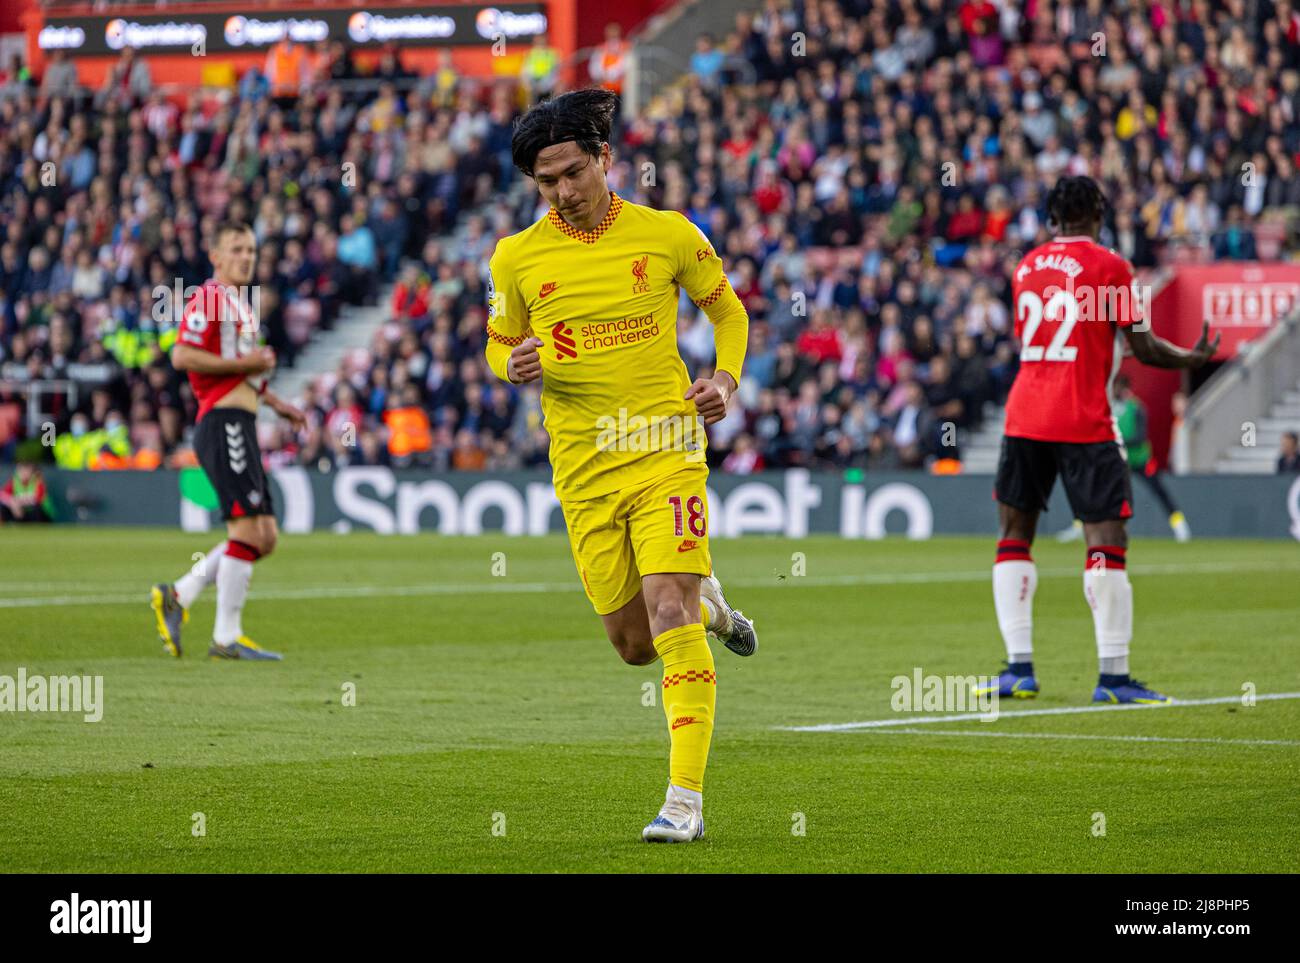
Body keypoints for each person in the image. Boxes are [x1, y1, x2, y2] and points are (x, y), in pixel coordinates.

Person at [486, 89, 755, 843]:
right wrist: (511, 362)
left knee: (668, 609)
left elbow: (728, 312)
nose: (564, 192)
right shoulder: (516, 258)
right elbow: (496, 339)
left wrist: (725, 381)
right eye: (547, 182)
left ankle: (684, 801)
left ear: (607, 159)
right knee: (635, 643)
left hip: (668, 449)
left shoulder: (668, 234)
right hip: (583, 465)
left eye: (574, 172)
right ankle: (718, 609)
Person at [979, 176, 1218, 706]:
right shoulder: (1110, 267)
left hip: (1024, 417)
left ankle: (1018, 668)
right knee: (1107, 541)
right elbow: (1145, 348)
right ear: (1099, 215)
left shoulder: (1025, 268)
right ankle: (1113, 677)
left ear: (1051, 219)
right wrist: (1191, 359)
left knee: (1015, 535)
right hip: (1083, 417)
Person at [150, 222, 306, 661]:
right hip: (222, 423)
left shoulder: (241, 305)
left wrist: (276, 402)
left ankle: (179, 593)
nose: (246, 257)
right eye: (236, 249)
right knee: (246, 528)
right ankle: (226, 636)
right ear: (216, 257)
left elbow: (246, 370)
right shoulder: (210, 297)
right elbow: (181, 354)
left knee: (266, 536)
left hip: (241, 422)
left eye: (251, 250)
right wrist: (246, 363)